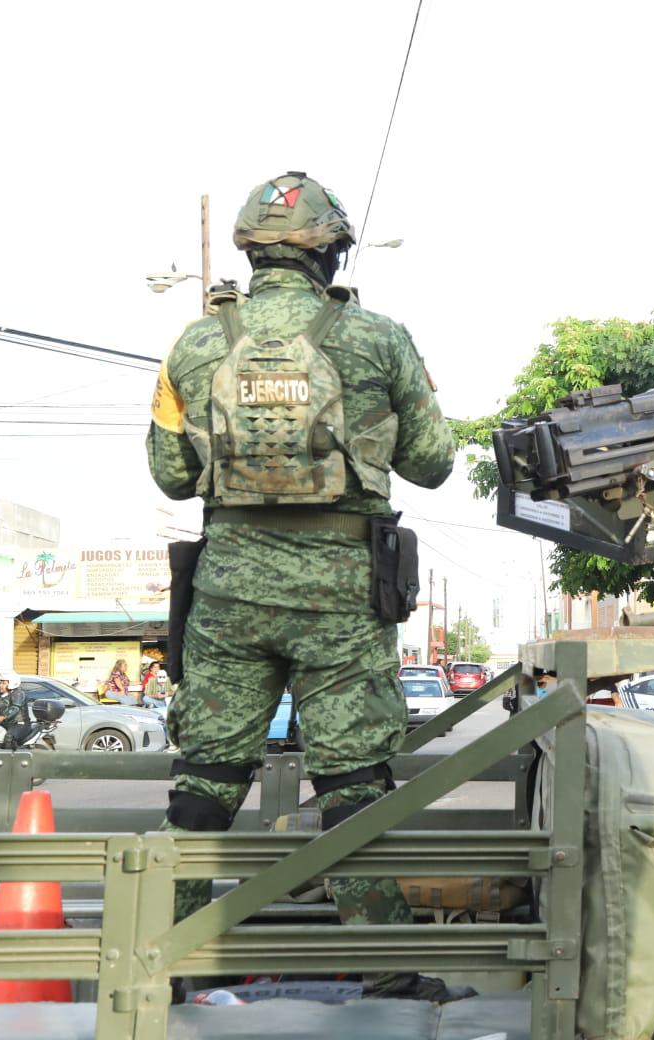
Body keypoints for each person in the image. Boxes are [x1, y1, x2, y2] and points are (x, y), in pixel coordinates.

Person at [145, 172, 456, 1001]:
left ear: (251, 253)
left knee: (207, 775)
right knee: (354, 782)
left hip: (230, 592)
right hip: (342, 593)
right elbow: (432, 461)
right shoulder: (378, 338)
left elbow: (171, 476)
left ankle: (162, 963)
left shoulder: (194, 344)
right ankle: (387, 973)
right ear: (334, 251)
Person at [0, 673, 32, 748]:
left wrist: (3, 716)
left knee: (9, 737)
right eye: (0, 682)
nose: (0, 685)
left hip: (19, 724)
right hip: (4, 724)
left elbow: (15, 707)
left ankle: (10, 758)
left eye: (3, 683)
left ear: (12, 683)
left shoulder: (18, 693)